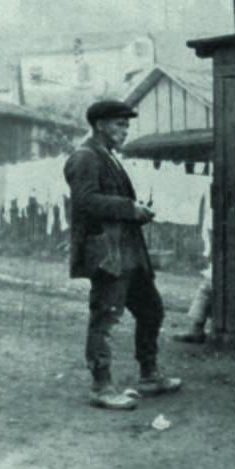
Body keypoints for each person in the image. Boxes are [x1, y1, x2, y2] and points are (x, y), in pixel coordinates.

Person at [64, 100, 182, 411]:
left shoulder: (108, 157)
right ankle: (101, 387)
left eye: (127, 125)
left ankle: (149, 375)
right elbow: (86, 201)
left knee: (151, 310)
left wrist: (134, 210)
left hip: (128, 252)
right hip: (107, 253)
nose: (125, 130)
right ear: (100, 125)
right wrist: (130, 208)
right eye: (119, 124)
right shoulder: (85, 157)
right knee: (106, 318)